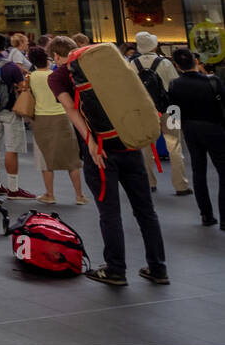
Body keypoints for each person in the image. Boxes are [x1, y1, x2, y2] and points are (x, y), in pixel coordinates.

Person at [47, 36, 168, 287]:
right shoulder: (106, 64)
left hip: (100, 152)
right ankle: (158, 268)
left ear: (57, 57)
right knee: (146, 210)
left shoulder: (58, 76)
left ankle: (116, 269)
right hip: (129, 144)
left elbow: (70, 109)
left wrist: (91, 140)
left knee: (109, 213)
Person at [167, 46, 225, 228]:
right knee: (223, 172)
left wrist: (176, 130)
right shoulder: (213, 81)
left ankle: (206, 215)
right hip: (215, 129)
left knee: (198, 173)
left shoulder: (174, 85)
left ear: (177, 66)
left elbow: (173, 113)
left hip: (190, 130)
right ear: (196, 61)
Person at [130, 32, 190, 196]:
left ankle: (149, 183)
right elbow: (175, 85)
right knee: (175, 146)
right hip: (171, 110)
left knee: (146, 148)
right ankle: (180, 185)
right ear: (154, 46)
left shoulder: (132, 64)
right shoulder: (165, 63)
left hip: (144, 112)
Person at [25, 45, 85, 205]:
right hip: (62, 116)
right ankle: (79, 195)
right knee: (71, 158)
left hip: (41, 118)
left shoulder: (31, 77)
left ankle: (49, 194)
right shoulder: (56, 75)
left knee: (45, 159)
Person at [0, 33, 35, 199]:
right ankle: (13, 188)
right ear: (5, 46)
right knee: (11, 148)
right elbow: (22, 86)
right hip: (9, 110)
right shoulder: (10, 66)